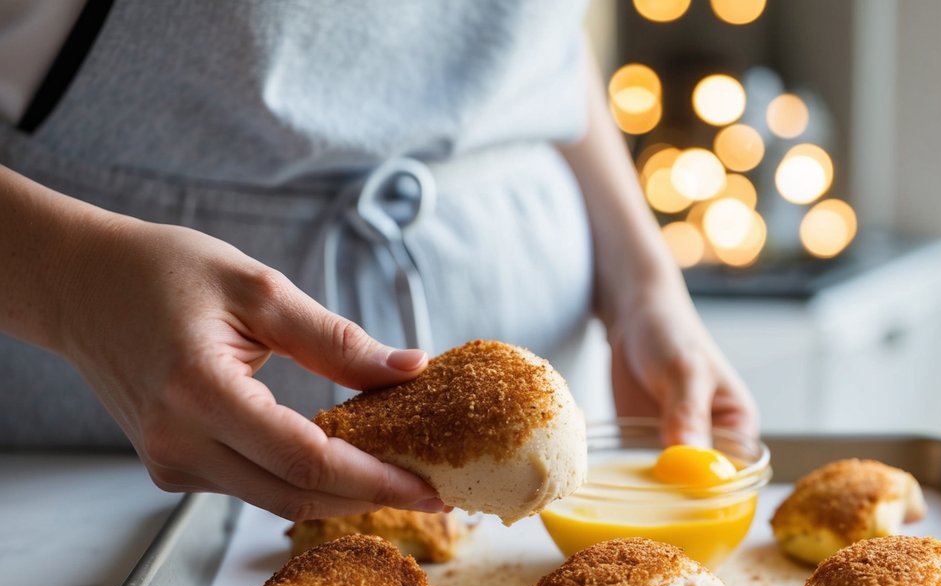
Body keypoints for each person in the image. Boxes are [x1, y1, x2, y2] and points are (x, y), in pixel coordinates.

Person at [0, 1, 757, 521]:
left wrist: (642, 278)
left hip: (544, 344)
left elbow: (537, 41)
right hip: (95, 440)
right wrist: (73, 284)